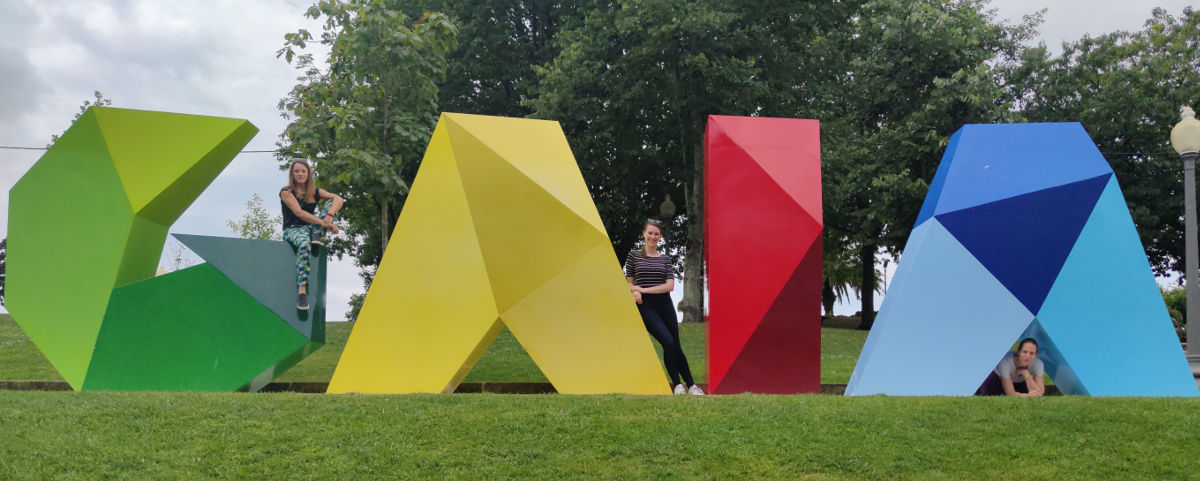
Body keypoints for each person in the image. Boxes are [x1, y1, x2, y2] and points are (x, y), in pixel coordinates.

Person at [625, 219, 704, 395]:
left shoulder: (665, 259)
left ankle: (692, 386)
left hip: (665, 305)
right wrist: (635, 291)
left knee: (676, 345)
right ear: (644, 234)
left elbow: (670, 286)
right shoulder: (634, 256)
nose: (653, 236)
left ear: (660, 236)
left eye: (656, 234)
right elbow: (628, 282)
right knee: (667, 341)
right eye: (650, 233)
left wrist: (642, 289)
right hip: (646, 307)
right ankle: (677, 385)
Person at [280, 159, 343, 310]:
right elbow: (298, 212)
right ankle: (302, 291)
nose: (300, 174)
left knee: (332, 201)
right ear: (292, 174)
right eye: (297, 171)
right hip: (293, 229)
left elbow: (339, 199)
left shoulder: (314, 192)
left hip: (311, 227)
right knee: (304, 243)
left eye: (303, 171)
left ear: (308, 174)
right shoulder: (286, 192)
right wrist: (324, 224)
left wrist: (330, 216)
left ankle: (316, 232)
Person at [975, 338, 1046, 397]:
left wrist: (1026, 373)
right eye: (1025, 352)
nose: (1028, 356)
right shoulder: (1005, 363)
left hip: (1020, 382)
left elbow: (1040, 393)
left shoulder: (1038, 364)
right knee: (989, 396)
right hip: (997, 379)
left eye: (1032, 353)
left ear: (1035, 355)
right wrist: (1027, 395)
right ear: (1018, 352)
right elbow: (1010, 393)